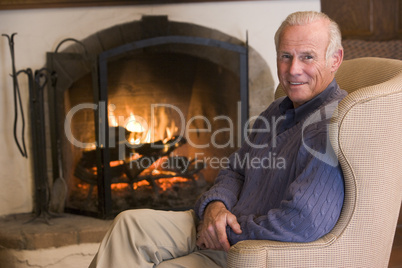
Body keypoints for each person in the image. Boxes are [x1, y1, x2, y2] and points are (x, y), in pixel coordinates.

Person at [89, 10, 346, 268]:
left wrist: (225, 230)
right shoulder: (278, 109)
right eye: (286, 56)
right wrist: (215, 206)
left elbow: (302, 221)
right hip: (222, 223)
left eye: (307, 57)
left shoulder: (335, 125)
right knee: (128, 225)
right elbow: (235, 169)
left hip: (248, 246)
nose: (293, 70)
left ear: (335, 59)